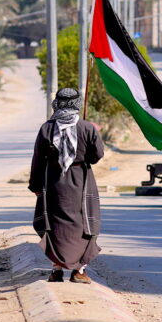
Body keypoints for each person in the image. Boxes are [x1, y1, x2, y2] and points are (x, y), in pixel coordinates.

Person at [29, 88, 104, 284]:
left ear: (58, 103)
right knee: (83, 224)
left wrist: (36, 185)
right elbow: (97, 156)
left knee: (55, 225)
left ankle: (56, 270)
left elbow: (37, 159)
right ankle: (79, 272)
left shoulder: (47, 128)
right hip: (81, 182)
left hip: (54, 183)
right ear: (77, 103)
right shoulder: (87, 128)